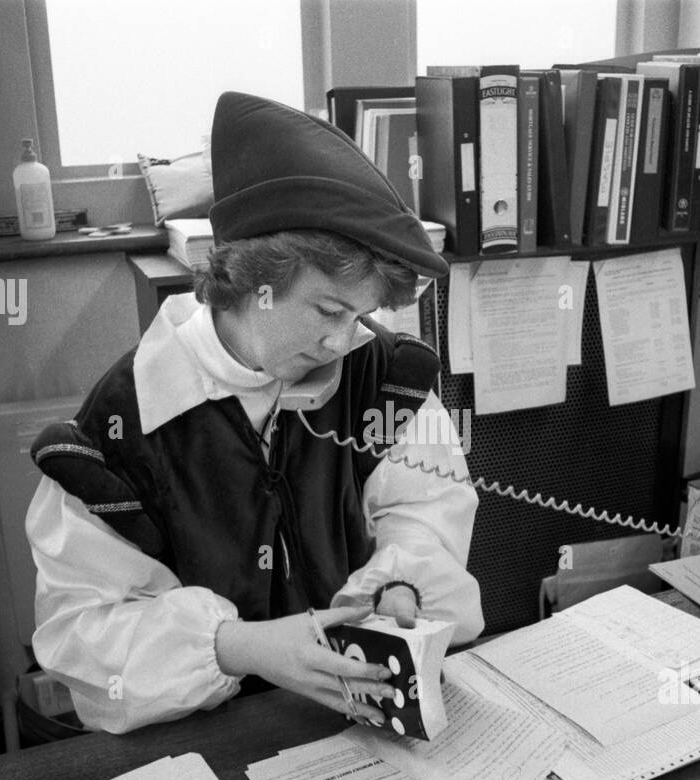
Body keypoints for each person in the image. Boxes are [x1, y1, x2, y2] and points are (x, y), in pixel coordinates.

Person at [25, 92, 483, 734]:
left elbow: (421, 510)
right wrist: (235, 646)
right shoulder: (120, 433)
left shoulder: (386, 380)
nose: (340, 342)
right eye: (327, 311)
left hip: (359, 718)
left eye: (360, 315)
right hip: (207, 739)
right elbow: (82, 631)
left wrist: (399, 585)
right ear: (251, 278)